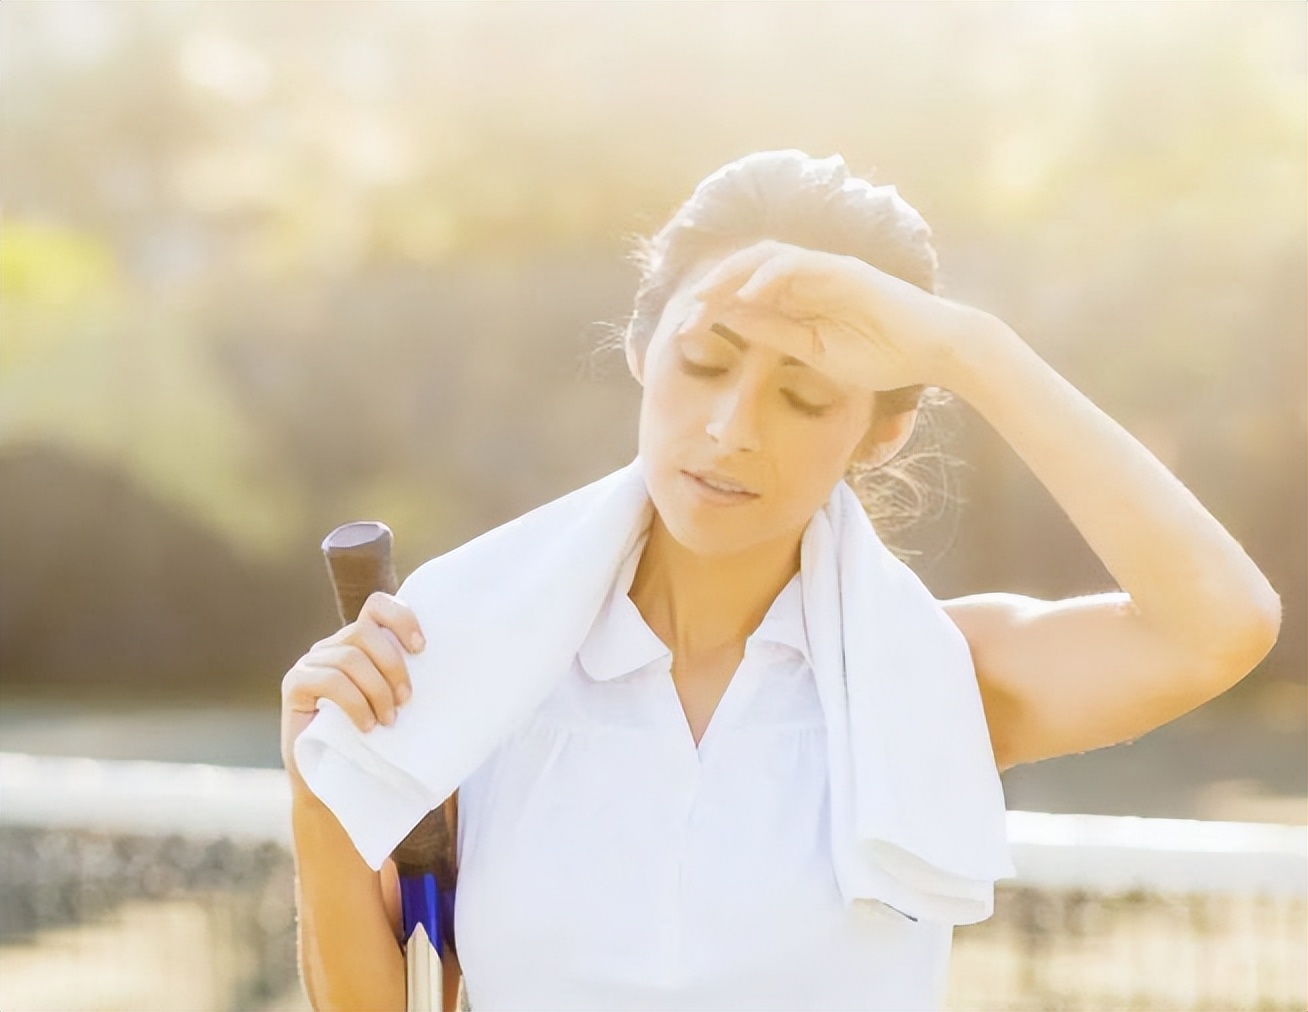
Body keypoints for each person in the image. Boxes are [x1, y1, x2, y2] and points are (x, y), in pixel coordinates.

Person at [279, 151, 1280, 1011]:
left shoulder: (937, 679)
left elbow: (1219, 626)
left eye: (804, 395)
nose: (731, 429)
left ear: (883, 431)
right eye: (705, 361)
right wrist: (323, 781)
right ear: (639, 347)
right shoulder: (481, 653)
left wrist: (966, 347)